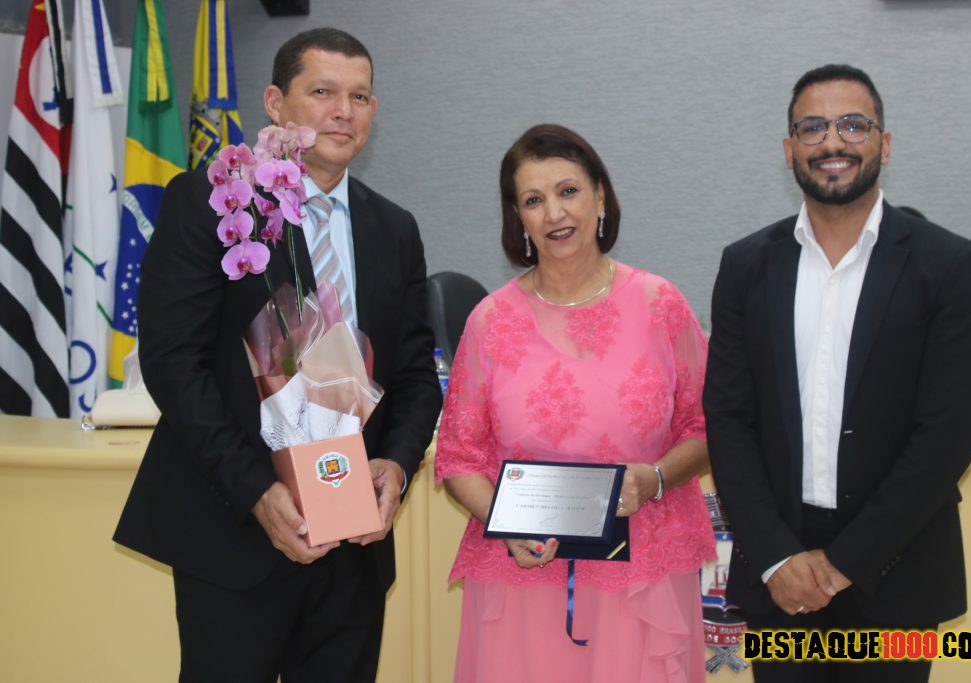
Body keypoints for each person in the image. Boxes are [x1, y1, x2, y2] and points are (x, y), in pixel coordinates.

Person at [113, 28, 441, 682]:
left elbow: (414, 376)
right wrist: (258, 492)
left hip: (353, 548)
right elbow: (175, 366)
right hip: (233, 533)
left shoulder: (394, 228)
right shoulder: (211, 201)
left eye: (359, 97)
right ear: (274, 102)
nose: (343, 111)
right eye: (322, 92)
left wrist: (398, 466)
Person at [703, 64, 971, 682]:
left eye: (853, 125)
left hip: (898, 565)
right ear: (789, 151)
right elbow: (727, 419)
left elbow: (947, 435)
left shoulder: (949, 265)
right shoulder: (746, 266)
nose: (832, 142)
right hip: (779, 575)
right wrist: (777, 556)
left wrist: (846, 562)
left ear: (884, 144)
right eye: (812, 128)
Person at [435, 124, 716, 682]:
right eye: (533, 200)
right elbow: (458, 458)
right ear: (518, 217)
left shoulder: (660, 304)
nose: (555, 214)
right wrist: (504, 524)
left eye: (568, 191)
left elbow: (707, 426)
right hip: (524, 576)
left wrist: (656, 479)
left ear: (600, 196)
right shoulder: (490, 321)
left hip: (641, 576)